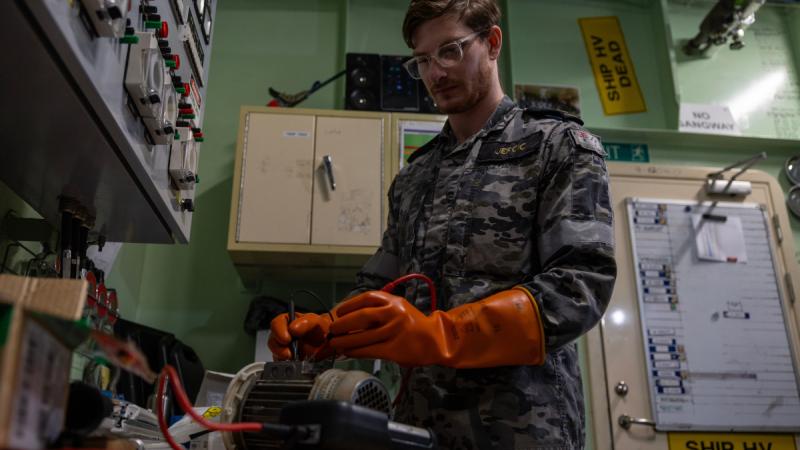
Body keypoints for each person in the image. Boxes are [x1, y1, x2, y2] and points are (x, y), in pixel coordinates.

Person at [269, 0, 616, 448]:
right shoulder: (415, 175)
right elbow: (381, 285)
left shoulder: (557, 147)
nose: (435, 73)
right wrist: (328, 331)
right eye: (423, 61)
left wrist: (442, 335)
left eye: (450, 51)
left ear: (491, 43)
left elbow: (580, 286)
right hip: (417, 428)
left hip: (522, 429)